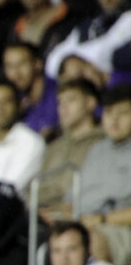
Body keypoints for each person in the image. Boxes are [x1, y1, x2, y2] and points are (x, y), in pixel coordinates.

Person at [78, 84, 131, 265]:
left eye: (122, 113)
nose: (114, 120)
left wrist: (102, 219)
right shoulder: (96, 150)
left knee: (88, 239)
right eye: (109, 113)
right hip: (83, 222)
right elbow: (75, 198)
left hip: (119, 228)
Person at [38, 78, 102, 217]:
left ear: (90, 103)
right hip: (44, 215)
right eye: (60, 102)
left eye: (71, 100)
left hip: (84, 215)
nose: (63, 108)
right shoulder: (53, 147)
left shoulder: (104, 143)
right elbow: (38, 186)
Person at [0, 78, 45, 195]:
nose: (0, 109)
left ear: (18, 105)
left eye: (6, 102)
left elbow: (11, 188)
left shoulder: (31, 142)